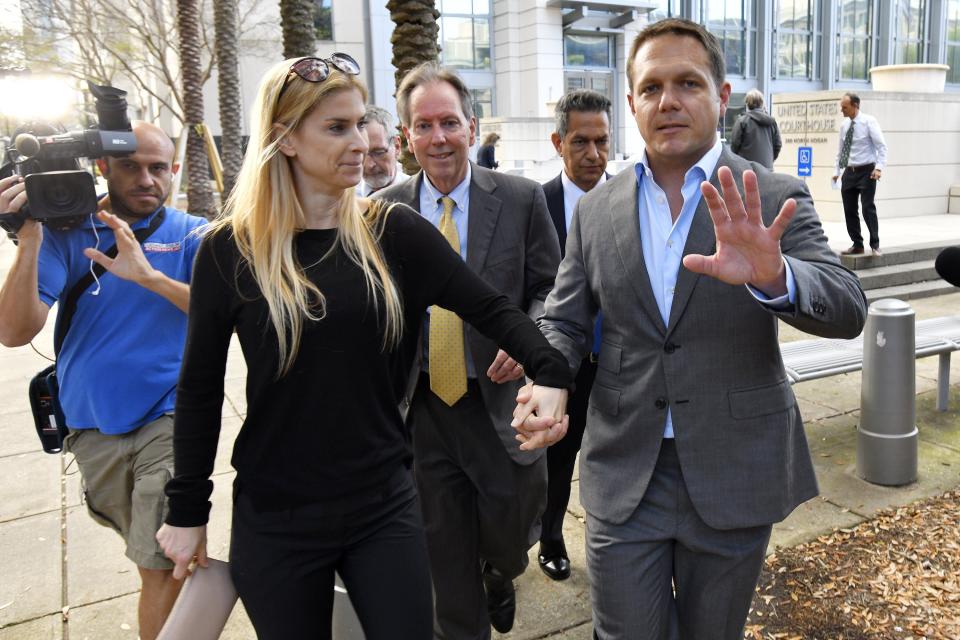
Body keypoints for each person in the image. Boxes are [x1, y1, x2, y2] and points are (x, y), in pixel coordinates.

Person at [155, 55, 569, 640]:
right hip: (276, 515)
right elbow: (197, 389)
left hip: (384, 504)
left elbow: (493, 309)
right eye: (336, 127)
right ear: (285, 139)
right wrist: (187, 509)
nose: (362, 143)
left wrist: (551, 371)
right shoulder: (230, 250)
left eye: (359, 125)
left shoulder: (394, 232)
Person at [514, 18, 868, 640]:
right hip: (625, 469)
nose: (668, 100)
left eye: (687, 83)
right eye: (651, 88)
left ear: (722, 95)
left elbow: (847, 306)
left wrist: (775, 275)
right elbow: (566, 319)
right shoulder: (597, 211)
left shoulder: (772, 194)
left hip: (733, 465)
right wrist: (549, 374)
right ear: (632, 103)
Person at [375, 62, 561, 638]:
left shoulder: (522, 200)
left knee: (509, 534)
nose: (438, 138)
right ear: (406, 138)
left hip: (501, 400)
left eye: (449, 122)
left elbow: (551, 289)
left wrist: (527, 336)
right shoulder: (381, 213)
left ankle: (500, 574)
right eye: (423, 126)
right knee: (442, 556)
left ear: (472, 127)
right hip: (422, 405)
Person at [0, 121, 206, 640]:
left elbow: (229, 313)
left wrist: (152, 279)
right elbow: (14, 330)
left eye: (158, 168)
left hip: (170, 417)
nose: (146, 179)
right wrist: (28, 240)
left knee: (163, 564)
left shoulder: (196, 234)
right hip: (93, 429)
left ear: (174, 171)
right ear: (104, 168)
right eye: (131, 166)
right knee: (148, 562)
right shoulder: (68, 236)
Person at [538, 87, 611, 582]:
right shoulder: (536, 205)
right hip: (562, 364)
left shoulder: (630, 197)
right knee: (558, 462)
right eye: (581, 142)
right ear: (557, 142)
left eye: (602, 141)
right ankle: (550, 537)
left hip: (620, 363)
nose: (594, 154)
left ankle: (614, 547)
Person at [832, 92, 887, 256]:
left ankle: (875, 244)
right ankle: (857, 244)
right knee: (849, 210)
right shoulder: (844, 126)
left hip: (867, 171)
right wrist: (837, 172)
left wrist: (879, 168)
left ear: (855, 106)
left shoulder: (869, 122)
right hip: (850, 172)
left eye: (845, 107)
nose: (842, 110)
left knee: (867, 207)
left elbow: (882, 147)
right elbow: (841, 152)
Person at [358, 104, 408, 196]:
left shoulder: (420, 195)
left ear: (397, 146)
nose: (369, 165)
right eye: (361, 154)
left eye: (378, 153)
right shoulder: (344, 201)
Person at [729, 88, 782, 170]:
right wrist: (769, 160)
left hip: (746, 169)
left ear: (747, 104)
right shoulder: (772, 122)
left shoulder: (742, 121)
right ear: (762, 103)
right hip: (767, 169)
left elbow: (735, 145)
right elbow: (778, 145)